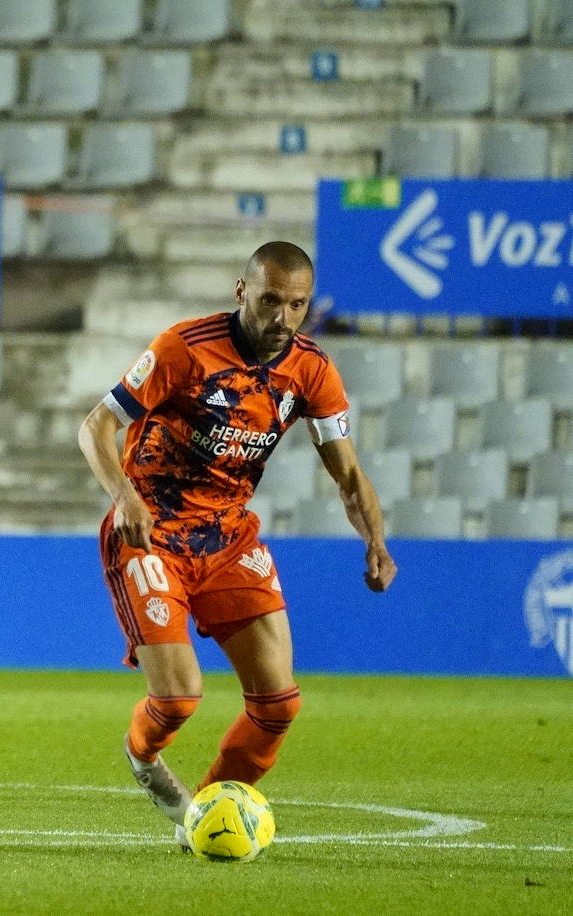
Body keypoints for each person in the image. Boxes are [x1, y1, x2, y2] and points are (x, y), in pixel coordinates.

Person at [76, 241, 397, 846]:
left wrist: (375, 541)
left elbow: (349, 475)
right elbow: (97, 425)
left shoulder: (312, 370)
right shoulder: (184, 348)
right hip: (152, 532)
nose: (283, 318)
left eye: (297, 305)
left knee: (278, 705)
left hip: (227, 537)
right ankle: (143, 758)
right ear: (242, 290)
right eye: (272, 300)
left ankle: (206, 817)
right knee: (176, 701)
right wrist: (124, 495)